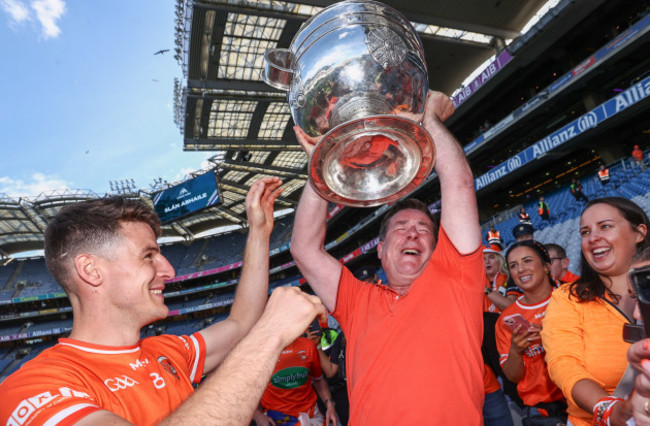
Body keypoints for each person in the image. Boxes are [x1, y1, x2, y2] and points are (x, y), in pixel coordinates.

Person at [0, 178, 327, 425]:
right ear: (91, 270)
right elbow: (253, 332)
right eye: (148, 256)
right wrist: (270, 336)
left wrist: (259, 233)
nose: (169, 270)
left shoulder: (170, 351)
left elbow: (241, 323)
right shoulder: (31, 388)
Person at [290, 91, 485, 424]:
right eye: (401, 227)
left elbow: (459, 183)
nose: (412, 233)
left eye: (424, 229)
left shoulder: (457, 277)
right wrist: (320, 168)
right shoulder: (356, 301)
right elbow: (304, 249)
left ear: (438, 247)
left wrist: (428, 119)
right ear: (380, 250)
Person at [541, 197, 650, 426]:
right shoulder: (568, 298)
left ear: (639, 233)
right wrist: (611, 411)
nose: (593, 238)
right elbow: (564, 364)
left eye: (606, 226)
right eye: (585, 232)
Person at [496, 241, 567, 423]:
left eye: (527, 261)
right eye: (513, 265)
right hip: (541, 413)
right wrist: (516, 350)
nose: (520, 269)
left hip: (584, 398)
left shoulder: (571, 298)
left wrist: (551, 339)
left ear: (546, 266)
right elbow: (513, 377)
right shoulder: (506, 319)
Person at [253, 331, 338, 426]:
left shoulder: (308, 345)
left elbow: (318, 380)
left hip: (311, 416)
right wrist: (258, 415)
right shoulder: (258, 353)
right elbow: (245, 391)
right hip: (276, 419)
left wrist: (329, 404)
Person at [483, 245, 512, 313]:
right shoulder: (475, 282)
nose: (487, 261)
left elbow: (511, 307)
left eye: (492, 257)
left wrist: (486, 289)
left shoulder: (510, 278)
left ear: (500, 260)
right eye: (483, 258)